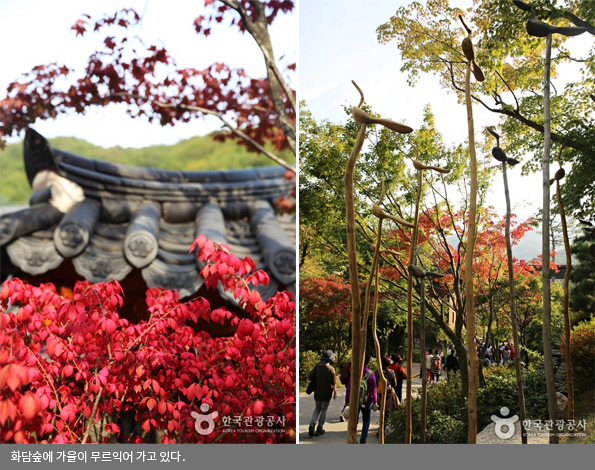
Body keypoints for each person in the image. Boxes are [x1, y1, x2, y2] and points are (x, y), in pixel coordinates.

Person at [345, 353, 377, 444]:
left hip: (355, 401)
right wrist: (374, 401)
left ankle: (353, 437)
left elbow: (349, 388)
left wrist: (347, 400)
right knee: (366, 419)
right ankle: (363, 439)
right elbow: (374, 389)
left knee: (354, 419)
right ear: (368, 363)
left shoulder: (355, 372)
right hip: (367, 401)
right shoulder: (371, 374)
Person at [308, 350, 337, 437]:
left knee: (317, 408)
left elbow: (310, 377)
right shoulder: (331, 369)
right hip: (326, 394)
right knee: (324, 409)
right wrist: (335, 392)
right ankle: (320, 428)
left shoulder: (317, 367)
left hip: (317, 392)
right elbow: (333, 383)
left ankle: (312, 423)